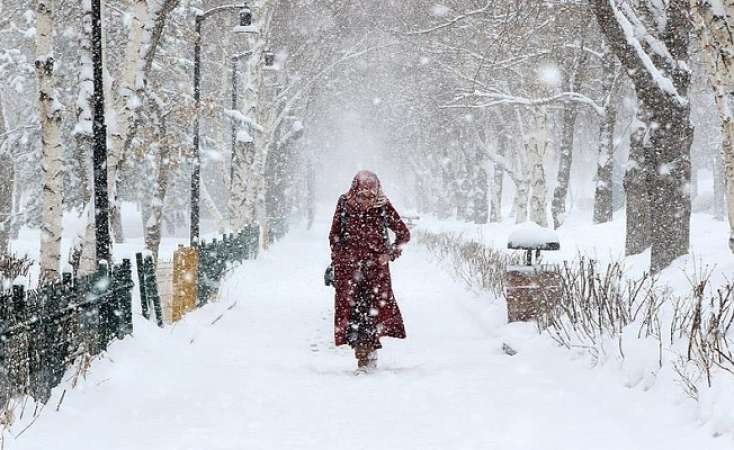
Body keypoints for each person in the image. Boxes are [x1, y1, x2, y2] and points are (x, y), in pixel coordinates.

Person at [329, 170, 411, 373]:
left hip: (376, 273)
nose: (366, 201)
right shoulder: (344, 204)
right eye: (362, 196)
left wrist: (390, 254)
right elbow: (334, 235)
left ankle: (366, 357)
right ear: (354, 191)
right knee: (353, 314)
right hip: (349, 271)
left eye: (370, 196)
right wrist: (340, 257)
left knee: (370, 313)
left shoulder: (382, 206)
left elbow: (403, 234)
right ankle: (363, 354)